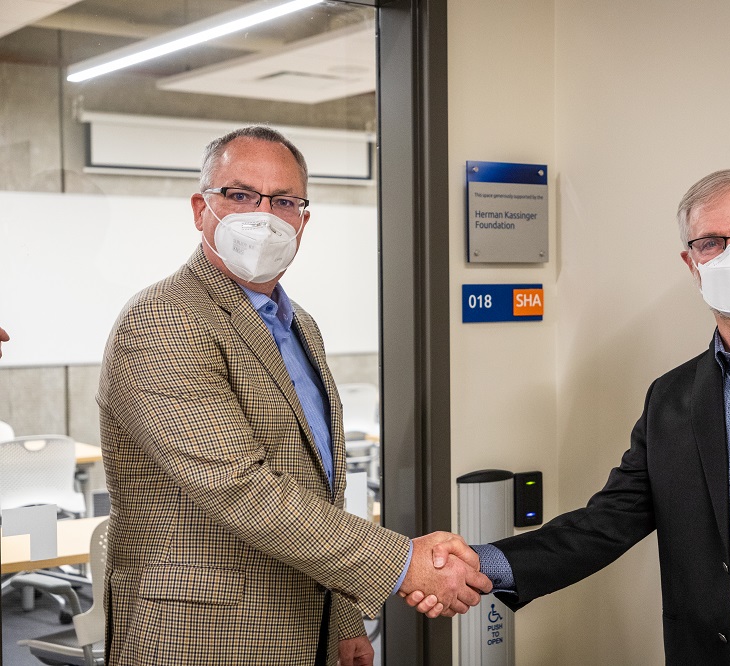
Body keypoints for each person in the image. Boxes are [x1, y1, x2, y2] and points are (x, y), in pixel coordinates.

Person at [409, 169, 730, 665]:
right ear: (691, 263)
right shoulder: (672, 398)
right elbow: (607, 522)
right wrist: (479, 564)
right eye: (710, 242)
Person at [97, 126, 490, 666]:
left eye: (283, 201)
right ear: (199, 208)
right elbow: (238, 487)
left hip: (308, 628)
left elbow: (316, 485)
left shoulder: (297, 324)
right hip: (199, 636)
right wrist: (406, 563)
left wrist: (345, 619)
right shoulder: (163, 319)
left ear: (303, 220)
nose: (262, 217)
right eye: (239, 196)